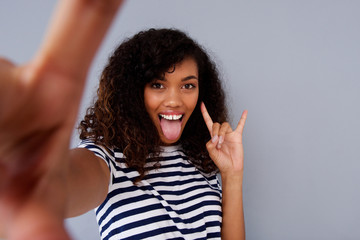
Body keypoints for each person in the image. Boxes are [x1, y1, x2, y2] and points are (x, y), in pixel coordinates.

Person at [0, 0, 247, 239]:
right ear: (133, 91)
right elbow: (70, 183)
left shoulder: (202, 158)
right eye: (158, 84)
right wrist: (40, 180)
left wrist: (232, 176)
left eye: (188, 86)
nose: (175, 101)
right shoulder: (109, 158)